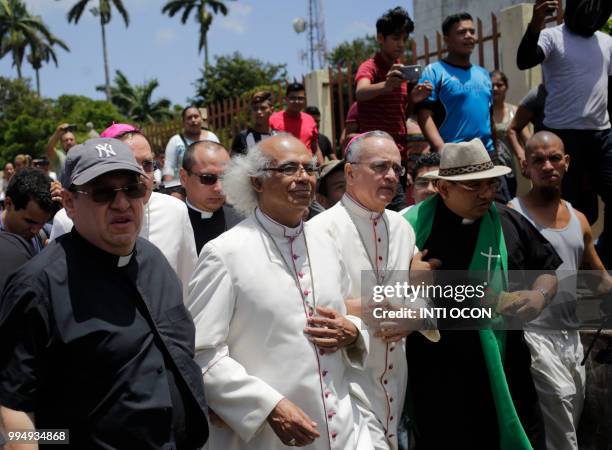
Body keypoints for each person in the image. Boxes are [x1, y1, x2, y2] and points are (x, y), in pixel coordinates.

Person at [0, 137, 209, 449]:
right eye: (102, 192)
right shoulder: (37, 287)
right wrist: (60, 441)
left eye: (132, 188)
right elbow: (13, 408)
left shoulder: (154, 260)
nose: (122, 203)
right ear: (69, 203)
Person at [187, 134, 366, 449]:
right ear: (256, 182)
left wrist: (353, 330)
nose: (304, 178)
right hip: (268, 437)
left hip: (343, 429)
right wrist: (267, 405)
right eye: (289, 168)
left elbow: (347, 311)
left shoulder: (327, 240)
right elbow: (202, 353)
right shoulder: (224, 253)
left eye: (309, 168)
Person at [403, 138, 561, 449]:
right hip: (440, 386)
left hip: (507, 372)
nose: (488, 193)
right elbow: (378, 299)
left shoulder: (508, 220)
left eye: (491, 183)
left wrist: (539, 295)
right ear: (444, 188)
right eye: (474, 187)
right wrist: (409, 282)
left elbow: (547, 269)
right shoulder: (408, 229)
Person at [310, 130, 436, 450]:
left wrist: (416, 317)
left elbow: (421, 290)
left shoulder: (402, 226)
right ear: (350, 173)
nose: (391, 175)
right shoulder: (320, 230)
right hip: (347, 382)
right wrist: (382, 307)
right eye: (380, 166)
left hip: (395, 381)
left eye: (397, 168)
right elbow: (316, 306)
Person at [509, 131, 612, 450]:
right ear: (525, 167)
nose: (548, 166)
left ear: (567, 163)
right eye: (538, 160)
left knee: (570, 422)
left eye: (554, 158)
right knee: (562, 433)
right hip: (534, 339)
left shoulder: (579, 219)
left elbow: (600, 281)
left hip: (572, 341)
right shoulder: (511, 215)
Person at [51, 124, 198, 300]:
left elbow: (187, 286)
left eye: (147, 164)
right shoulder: (67, 220)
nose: (141, 175)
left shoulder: (175, 210)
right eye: (130, 165)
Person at [517, 0, 612, 266]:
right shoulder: (551, 36)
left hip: (600, 134)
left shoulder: (606, 42)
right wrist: (536, 24)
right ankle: (557, 266)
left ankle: (599, 259)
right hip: (561, 136)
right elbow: (524, 60)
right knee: (562, 204)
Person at [416, 13, 495, 155]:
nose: (469, 36)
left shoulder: (484, 74)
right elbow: (424, 115)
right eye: (461, 32)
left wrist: (495, 148)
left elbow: (489, 117)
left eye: (472, 31)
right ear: (447, 39)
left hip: (487, 155)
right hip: (452, 156)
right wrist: (441, 148)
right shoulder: (433, 71)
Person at [179, 140, 241, 254]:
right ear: (184, 178)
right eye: (207, 178)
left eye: (225, 178)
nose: (219, 188)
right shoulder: (169, 226)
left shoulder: (242, 224)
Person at [491, 70, 531, 198]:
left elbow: (528, 140)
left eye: (499, 85)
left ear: (506, 87)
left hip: (509, 168)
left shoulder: (515, 112)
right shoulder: (483, 113)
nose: (495, 88)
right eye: (491, 85)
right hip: (489, 168)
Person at [0, 168, 57, 253]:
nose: (36, 230)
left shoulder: (48, 233)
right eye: (30, 221)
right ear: (8, 204)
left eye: (42, 223)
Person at [269, 82, 324, 164]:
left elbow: (315, 148)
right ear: (286, 99)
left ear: (305, 99)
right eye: (293, 98)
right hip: (283, 169)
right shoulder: (273, 120)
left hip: (307, 168)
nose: (296, 101)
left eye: (300, 98)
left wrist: (322, 168)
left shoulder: (310, 120)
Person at [163, 106, 220, 181]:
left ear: (201, 119)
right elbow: (169, 167)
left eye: (196, 116)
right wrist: (169, 190)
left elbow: (220, 161)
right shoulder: (175, 141)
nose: (193, 120)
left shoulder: (212, 137)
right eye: (189, 118)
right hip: (183, 188)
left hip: (210, 184)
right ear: (183, 122)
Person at [231, 91, 277, 155]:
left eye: (263, 108)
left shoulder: (278, 136)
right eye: (255, 108)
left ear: (271, 110)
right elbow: (234, 163)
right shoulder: (242, 137)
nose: (258, 112)